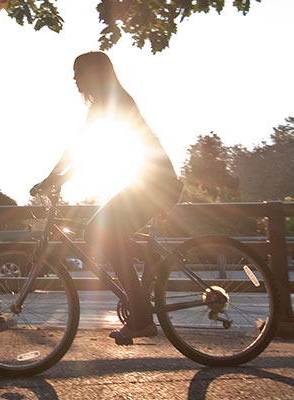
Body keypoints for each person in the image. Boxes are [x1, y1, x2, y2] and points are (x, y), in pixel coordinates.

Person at [30, 51, 183, 345]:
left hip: (156, 184)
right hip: (150, 184)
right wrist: (54, 177)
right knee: (103, 233)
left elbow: (87, 149)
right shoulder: (104, 103)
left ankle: (141, 319)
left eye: (78, 73)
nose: (74, 79)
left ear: (93, 74)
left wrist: (55, 179)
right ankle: (150, 262)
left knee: (99, 233)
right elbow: (81, 146)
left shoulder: (112, 102)